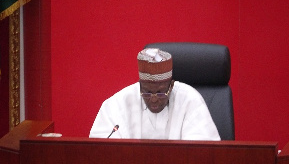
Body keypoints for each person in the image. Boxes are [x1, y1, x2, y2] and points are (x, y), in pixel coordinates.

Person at [89, 48, 220, 140]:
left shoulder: (191, 101)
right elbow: (100, 150)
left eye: (161, 92)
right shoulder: (118, 104)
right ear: (139, 85)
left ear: (171, 85)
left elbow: (204, 153)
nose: (154, 100)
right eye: (146, 92)